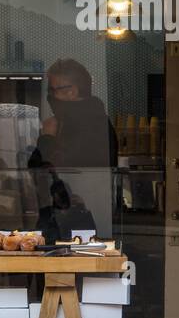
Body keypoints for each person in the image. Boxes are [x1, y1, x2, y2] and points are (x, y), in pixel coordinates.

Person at [28, 59, 118, 240]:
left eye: (54, 90)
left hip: (74, 216)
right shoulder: (96, 119)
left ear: (72, 91)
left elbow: (46, 167)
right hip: (90, 213)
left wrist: (47, 137)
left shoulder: (81, 124)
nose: (50, 96)